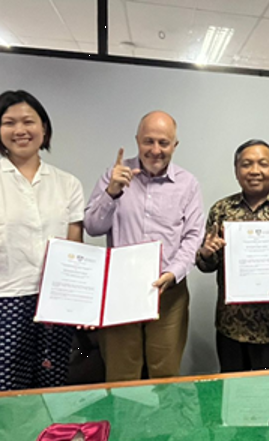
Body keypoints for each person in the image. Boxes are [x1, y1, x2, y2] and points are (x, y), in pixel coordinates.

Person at [0, 90, 85, 392]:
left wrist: (83, 303)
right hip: (0, 305)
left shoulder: (68, 184)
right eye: (9, 123)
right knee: (3, 398)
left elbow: (74, 253)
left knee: (51, 394)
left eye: (28, 121)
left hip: (53, 306)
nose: (20, 130)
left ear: (44, 128)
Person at [84, 110, 204, 381]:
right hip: (121, 291)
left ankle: (163, 415)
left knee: (165, 374)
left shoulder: (188, 184)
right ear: (137, 140)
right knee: (121, 374)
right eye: (148, 141)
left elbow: (193, 236)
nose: (155, 150)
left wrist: (173, 273)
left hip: (169, 292)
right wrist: (112, 193)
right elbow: (92, 226)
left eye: (164, 143)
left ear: (175, 145)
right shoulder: (114, 176)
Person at [196, 139, 269, 373]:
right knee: (232, 391)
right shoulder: (221, 210)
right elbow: (208, 265)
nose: (254, 171)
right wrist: (206, 253)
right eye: (246, 164)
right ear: (236, 171)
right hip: (231, 326)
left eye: (262, 164)